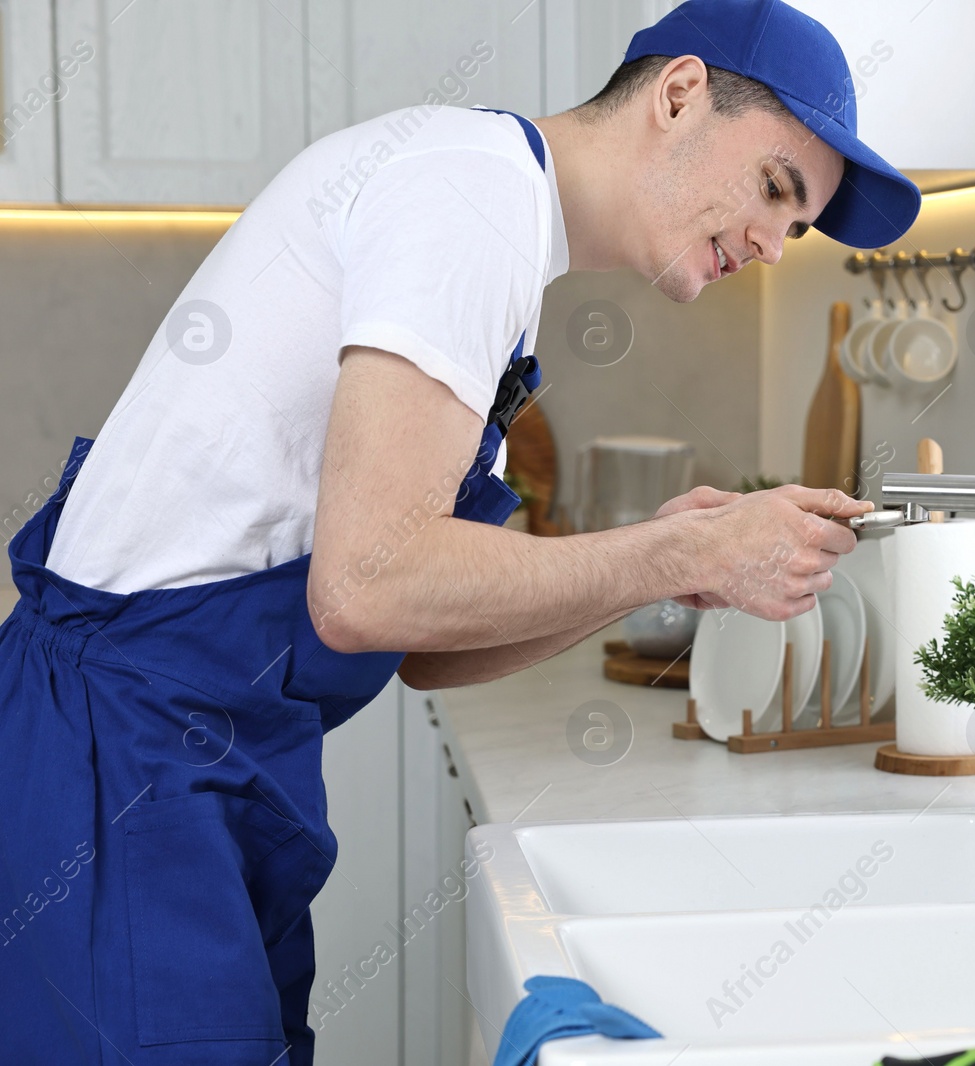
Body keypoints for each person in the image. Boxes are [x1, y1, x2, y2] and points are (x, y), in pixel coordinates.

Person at [0, 0, 921, 1061]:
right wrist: (678, 552)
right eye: (774, 188)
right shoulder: (470, 193)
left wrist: (656, 567)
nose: (772, 244)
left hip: (200, 764)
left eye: (796, 226)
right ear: (677, 93)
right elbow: (367, 587)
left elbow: (425, 648)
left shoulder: (500, 238)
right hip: (120, 764)